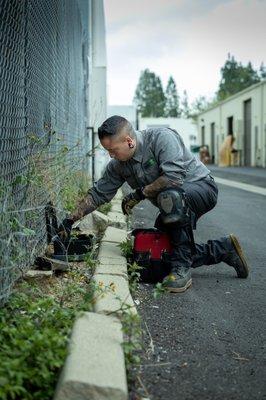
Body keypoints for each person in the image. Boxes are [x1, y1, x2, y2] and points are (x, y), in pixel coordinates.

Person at [58, 115, 249, 293]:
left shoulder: (161, 138)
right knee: (162, 255)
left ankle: (182, 270)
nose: (111, 156)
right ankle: (224, 249)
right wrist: (69, 219)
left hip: (201, 189)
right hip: (172, 204)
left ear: (129, 141)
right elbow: (99, 194)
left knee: (171, 197)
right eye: (107, 151)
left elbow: (174, 178)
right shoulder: (117, 166)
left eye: (113, 150)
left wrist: (139, 194)